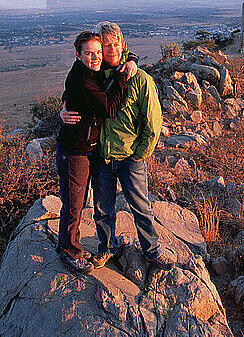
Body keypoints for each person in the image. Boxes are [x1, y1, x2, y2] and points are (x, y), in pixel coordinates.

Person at [61, 21, 174, 270]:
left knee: (141, 207)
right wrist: (63, 108)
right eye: (105, 46)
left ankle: (152, 250)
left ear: (123, 45)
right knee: (103, 209)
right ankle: (106, 248)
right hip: (101, 155)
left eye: (115, 45)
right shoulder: (97, 74)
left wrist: (139, 155)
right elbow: (75, 84)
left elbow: (153, 123)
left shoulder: (141, 79)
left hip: (129, 156)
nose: (110, 50)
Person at [56, 30, 137, 274]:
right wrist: (123, 78)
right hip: (75, 152)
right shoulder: (82, 79)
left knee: (78, 201)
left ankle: (70, 245)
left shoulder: (91, 71)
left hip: (87, 150)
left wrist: (131, 58)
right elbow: (110, 107)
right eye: (89, 53)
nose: (95, 57)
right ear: (78, 56)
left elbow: (117, 58)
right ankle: (70, 252)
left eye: (98, 52)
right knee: (74, 203)